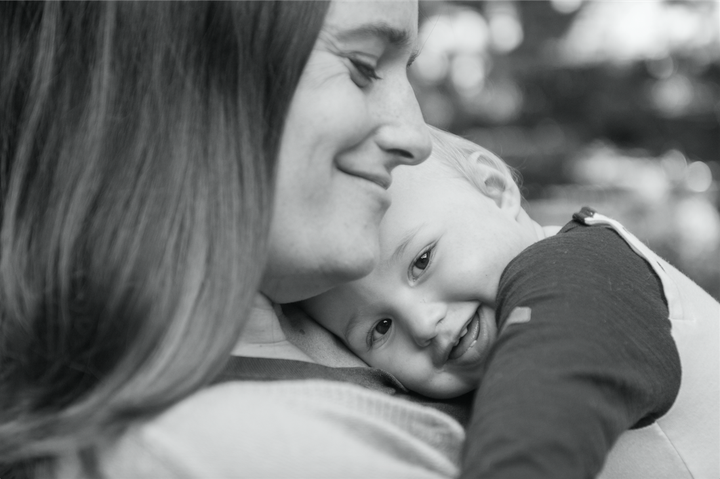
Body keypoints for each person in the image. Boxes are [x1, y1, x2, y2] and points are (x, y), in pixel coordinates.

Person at [1, 1, 470, 478]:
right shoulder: (219, 454)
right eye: (363, 65)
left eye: (406, 66)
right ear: (178, 70)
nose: (417, 138)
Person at [302, 127, 720, 479]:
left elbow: (539, 421)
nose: (422, 323)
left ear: (496, 190)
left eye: (421, 261)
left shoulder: (578, 272)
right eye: (380, 328)